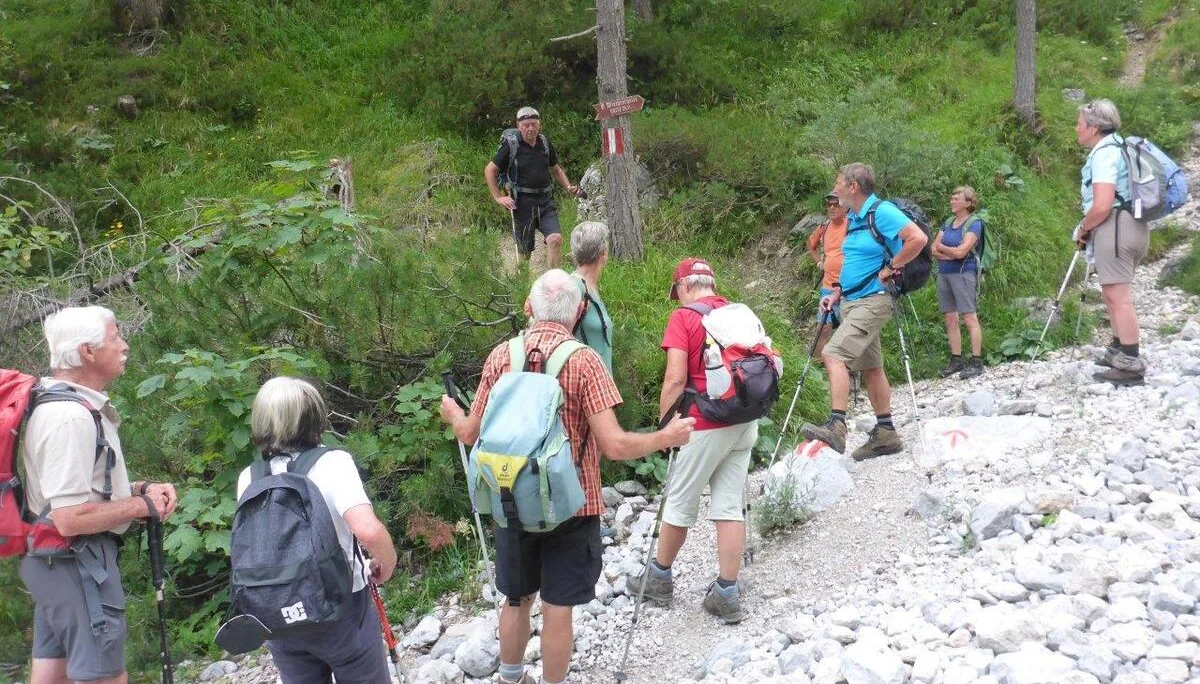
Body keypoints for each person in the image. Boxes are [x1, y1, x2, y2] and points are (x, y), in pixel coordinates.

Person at [439, 269, 694, 684]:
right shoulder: (585, 361)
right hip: (573, 503)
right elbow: (614, 446)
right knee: (558, 607)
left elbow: (470, 433)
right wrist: (665, 436)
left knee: (517, 598)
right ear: (578, 312)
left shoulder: (501, 356)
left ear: (528, 307)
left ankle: (510, 676)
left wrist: (453, 414)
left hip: (511, 499)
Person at [18, 306, 179, 684]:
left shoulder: (61, 404)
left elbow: (75, 492)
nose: (124, 345)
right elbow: (69, 517)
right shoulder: (70, 417)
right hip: (78, 563)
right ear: (88, 351)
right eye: (115, 336)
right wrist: (143, 505)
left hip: (53, 561)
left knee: (52, 673)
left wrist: (136, 492)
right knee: (103, 676)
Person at [235, 376, 398, 684]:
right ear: (314, 417)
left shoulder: (249, 478)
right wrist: (387, 564)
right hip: (340, 607)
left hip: (277, 614)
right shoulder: (333, 463)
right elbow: (368, 531)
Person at [628, 257, 758, 624]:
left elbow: (674, 379)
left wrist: (665, 428)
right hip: (744, 421)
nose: (677, 299)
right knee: (729, 506)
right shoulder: (737, 311)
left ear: (685, 287)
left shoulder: (685, 317)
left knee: (680, 503)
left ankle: (658, 579)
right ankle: (727, 592)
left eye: (676, 293)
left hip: (703, 423)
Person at [799, 163, 928, 461]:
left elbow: (917, 239)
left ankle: (837, 425)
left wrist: (893, 266)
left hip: (873, 301)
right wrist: (837, 292)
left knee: (833, 354)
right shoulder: (856, 218)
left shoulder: (880, 212)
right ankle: (886, 433)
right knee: (871, 366)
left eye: (838, 183)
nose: (836, 190)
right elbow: (859, 262)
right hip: (852, 299)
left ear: (853, 186)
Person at [1074, 98, 1150, 386]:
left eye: (1079, 124)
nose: (1076, 129)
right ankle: (1118, 350)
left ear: (1094, 128)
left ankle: (1130, 364)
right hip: (1129, 226)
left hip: (1116, 227)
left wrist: (1083, 227)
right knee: (1111, 293)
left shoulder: (1104, 154)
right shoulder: (1118, 146)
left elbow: (1103, 204)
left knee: (1119, 297)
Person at [484, 106, 582, 269]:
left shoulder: (544, 142)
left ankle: (553, 284)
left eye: (534, 124)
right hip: (522, 204)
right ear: (518, 126)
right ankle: (521, 287)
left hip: (545, 201)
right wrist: (498, 197)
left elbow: (556, 169)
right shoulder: (511, 145)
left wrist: (568, 186)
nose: (530, 128)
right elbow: (490, 170)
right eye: (526, 125)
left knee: (555, 239)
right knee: (525, 253)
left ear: (539, 125)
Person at [931, 186, 985, 380]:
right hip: (945, 274)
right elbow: (933, 249)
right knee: (950, 318)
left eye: (956, 198)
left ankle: (977, 361)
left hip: (964, 274)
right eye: (952, 198)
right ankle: (957, 359)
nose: (952, 201)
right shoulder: (948, 222)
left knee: (969, 317)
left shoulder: (974, 223)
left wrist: (944, 249)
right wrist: (949, 253)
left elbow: (962, 252)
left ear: (968, 203)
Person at [806, 192, 848, 357]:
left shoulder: (852, 225)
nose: (831, 207)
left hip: (849, 287)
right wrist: (819, 262)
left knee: (848, 329)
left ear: (844, 206)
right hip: (828, 286)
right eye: (829, 204)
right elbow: (810, 245)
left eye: (835, 204)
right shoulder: (824, 227)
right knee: (823, 327)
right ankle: (816, 366)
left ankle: (849, 367)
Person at [570, 221, 614, 372]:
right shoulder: (574, 287)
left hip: (599, 385)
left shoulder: (589, 287)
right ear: (603, 253)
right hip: (583, 384)